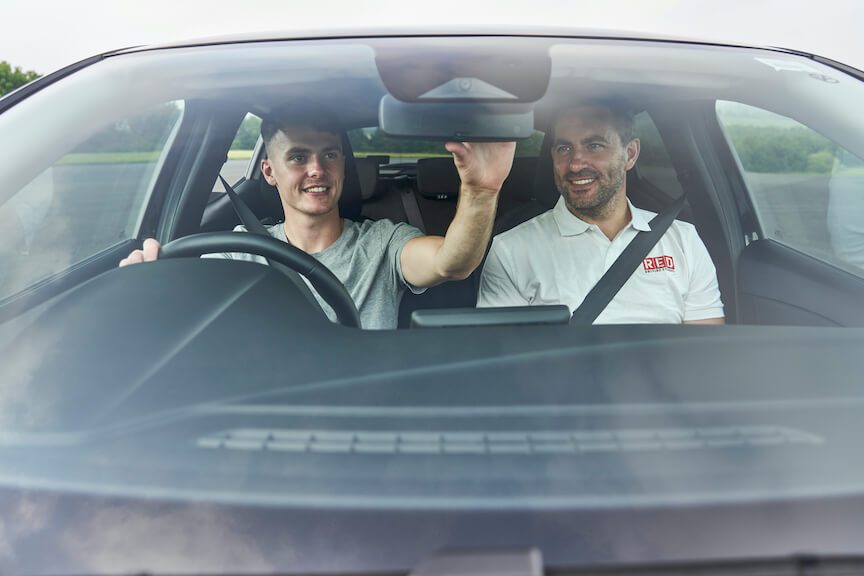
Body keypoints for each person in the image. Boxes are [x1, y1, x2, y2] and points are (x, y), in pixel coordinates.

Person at [121, 113, 515, 329]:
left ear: (343, 166)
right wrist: (147, 286)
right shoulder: (237, 254)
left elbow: (452, 262)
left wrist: (481, 191)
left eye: (330, 155)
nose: (317, 169)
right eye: (298, 157)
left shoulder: (383, 243)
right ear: (269, 172)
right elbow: (181, 314)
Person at [477, 100, 724, 324]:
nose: (575, 164)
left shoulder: (683, 241)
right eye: (564, 148)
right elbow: (505, 359)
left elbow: (707, 354)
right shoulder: (511, 250)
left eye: (594, 145)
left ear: (630, 154)